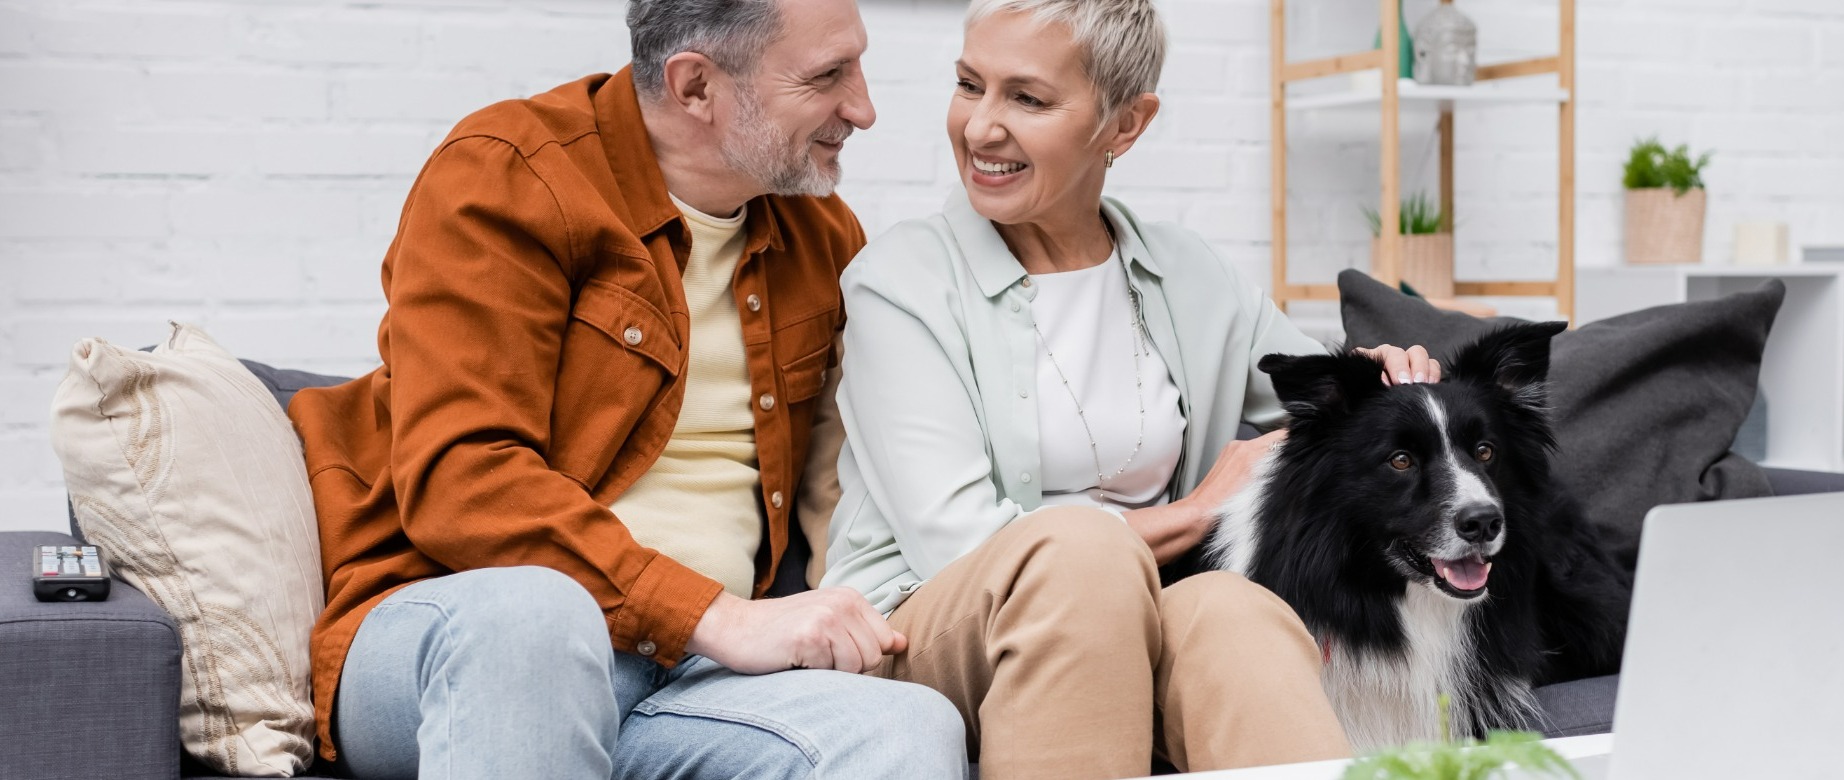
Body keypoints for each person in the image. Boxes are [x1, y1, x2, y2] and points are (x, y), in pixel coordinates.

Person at [286, 0, 967, 777]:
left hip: (697, 675)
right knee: (539, 614)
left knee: (906, 730)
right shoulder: (510, 174)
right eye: (825, 77)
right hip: (461, 637)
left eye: (858, 65)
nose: (864, 108)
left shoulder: (820, 235)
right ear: (696, 87)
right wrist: (713, 616)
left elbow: (848, 482)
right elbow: (461, 478)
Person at [818, 0, 1438, 776]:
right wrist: (1196, 512)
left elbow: (1334, 413)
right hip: (921, 632)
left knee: (1233, 610)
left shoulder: (1190, 273)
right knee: (1078, 553)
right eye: (970, 85)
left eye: (1027, 98)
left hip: (1128, 620)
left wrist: (1386, 379)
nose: (979, 128)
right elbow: (962, 544)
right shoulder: (900, 282)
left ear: (1125, 125)